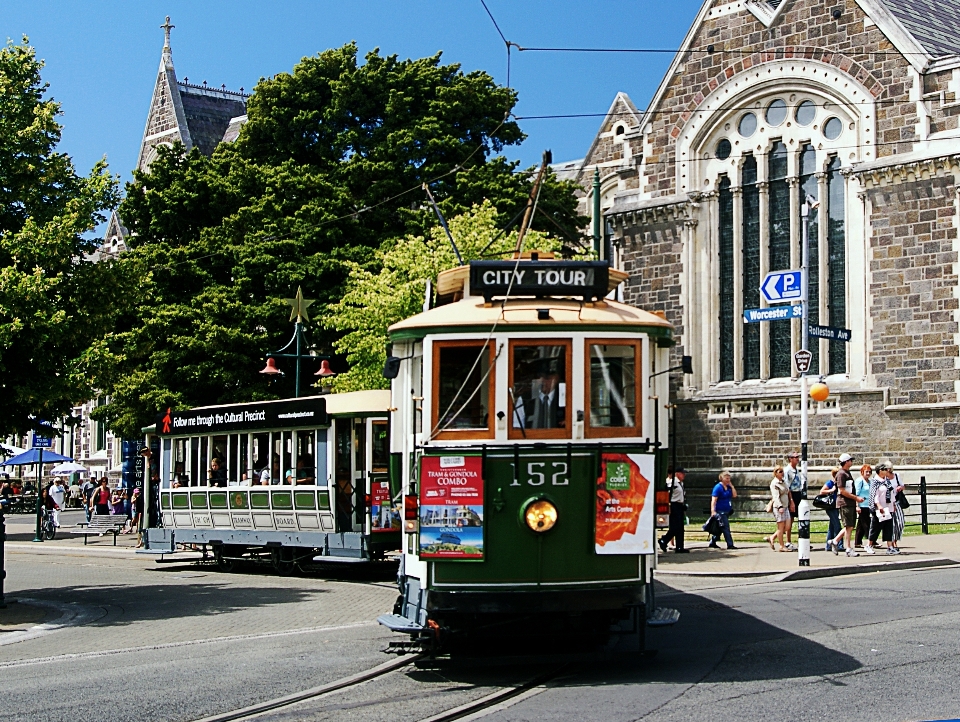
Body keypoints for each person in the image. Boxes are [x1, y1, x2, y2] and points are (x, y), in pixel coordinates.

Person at [828, 452, 861, 557]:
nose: (851, 462)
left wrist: (855, 502)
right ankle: (848, 548)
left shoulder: (847, 472)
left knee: (850, 526)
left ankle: (835, 541)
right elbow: (841, 490)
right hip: (844, 502)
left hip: (850, 503)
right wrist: (856, 498)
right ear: (846, 462)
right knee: (848, 526)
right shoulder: (841, 474)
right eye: (850, 460)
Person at [872, 461, 900, 554]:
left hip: (889, 507)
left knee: (889, 528)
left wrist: (894, 504)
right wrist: (878, 505)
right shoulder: (875, 481)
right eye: (884, 469)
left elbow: (891, 493)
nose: (886, 471)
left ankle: (890, 547)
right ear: (879, 471)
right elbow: (874, 495)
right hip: (880, 508)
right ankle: (869, 545)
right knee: (875, 528)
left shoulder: (886, 480)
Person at [658, 467, 688, 553]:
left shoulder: (680, 483)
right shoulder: (672, 482)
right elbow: (667, 494)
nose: (684, 475)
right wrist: (669, 506)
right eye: (682, 473)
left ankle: (679, 547)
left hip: (679, 505)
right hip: (673, 505)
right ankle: (664, 540)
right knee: (675, 526)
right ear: (677, 473)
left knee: (680, 528)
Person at [764, 466, 793, 552]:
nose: (782, 473)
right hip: (778, 507)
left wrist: (791, 502)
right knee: (781, 527)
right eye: (780, 472)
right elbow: (775, 497)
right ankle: (781, 546)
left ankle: (772, 537)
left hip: (786, 506)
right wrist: (780, 506)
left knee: (788, 526)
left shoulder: (784, 482)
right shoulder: (774, 483)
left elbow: (788, 492)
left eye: (782, 471)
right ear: (775, 473)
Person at [709, 470, 737, 549]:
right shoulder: (718, 487)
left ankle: (712, 542)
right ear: (722, 478)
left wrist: (732, 486)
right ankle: (730, 544)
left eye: (729, 478)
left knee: (720, 528)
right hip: (720, 511)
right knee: (725, 527)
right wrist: (713, 510)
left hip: (727, 510)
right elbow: (714, 500)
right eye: (726, 478)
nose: (728, 480)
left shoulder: (728, 487)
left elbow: (734, 495)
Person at [819, 469, 842, 552]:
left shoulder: (839, 483)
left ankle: (828, 546)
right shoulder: (830, 483)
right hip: (831, 506)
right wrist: (831, 490)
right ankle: (839, 544)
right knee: (837, 525)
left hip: (836, 506)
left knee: (831, 527)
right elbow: (822, 491)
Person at [784, 451, 803, 547]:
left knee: (802, 518)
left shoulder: (797, 470)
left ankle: (802, 540)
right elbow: (787, 487)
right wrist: (791, 501)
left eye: (798, 457)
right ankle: (788, 541)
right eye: (795, 457)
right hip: (791, 495)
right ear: (790, 458)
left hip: (798, 494)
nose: (797, 458)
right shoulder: (787, 470)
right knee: (790, 519)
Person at [854, 463, 873, 549]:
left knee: (861, 525)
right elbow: (856, 494)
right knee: (866, 523)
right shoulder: (860, 481)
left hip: (867, 504)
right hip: (862, 505)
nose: (868, 473)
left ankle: (857, 541)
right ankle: (872, 539)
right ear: (862, 472)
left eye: (869, 472)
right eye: (866, 472)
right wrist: (857, 506)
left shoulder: (870, 481)